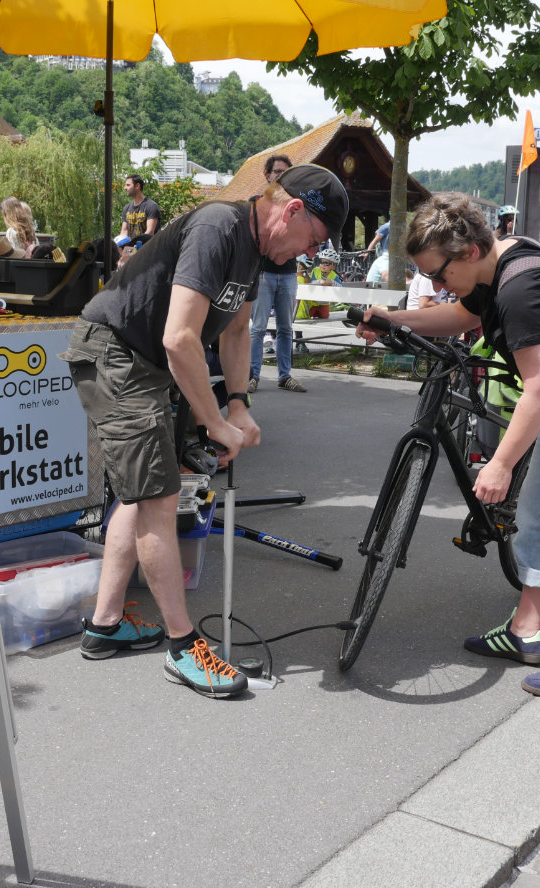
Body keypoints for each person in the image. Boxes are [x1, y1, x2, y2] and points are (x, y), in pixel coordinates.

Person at [60, 163, 348, 698]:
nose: (310, 253)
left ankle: (103, 627)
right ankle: (181, 646)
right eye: (315, 238)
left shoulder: (256, 254)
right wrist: (212, 421)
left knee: (141, 493)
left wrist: (236, 403)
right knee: (158, 499)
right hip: (116, 352)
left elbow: (236, 330)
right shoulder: (220, 227)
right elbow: (179, 338)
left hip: (143, 362)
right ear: (292, 211)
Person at [357, 194, 540, 697]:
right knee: (536, 525)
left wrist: (498, 463)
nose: (434, 286)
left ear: (470, 251)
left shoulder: (519, 288)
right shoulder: (497, 263)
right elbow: (459, 317)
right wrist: (393, 318)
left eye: (438, 274)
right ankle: (525, 632)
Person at [249, 153, 306, 393]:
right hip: (263, 273)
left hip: (289, 272)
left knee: (285, 327)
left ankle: (285, 375)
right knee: (258, 327)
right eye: (278, 171)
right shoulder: (257, 202)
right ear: (268, 175)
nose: (281, 175)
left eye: (286, 172)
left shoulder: (297, 205)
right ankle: (252, 376)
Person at [117, 175, 160, 247]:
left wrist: (136, 248)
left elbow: (150, 232)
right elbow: (124, 231)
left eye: (128, 185)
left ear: (137, 186)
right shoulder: (126, 208)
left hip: (148, 249)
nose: (125, 188)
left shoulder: (151, 206)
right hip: (131, 250)